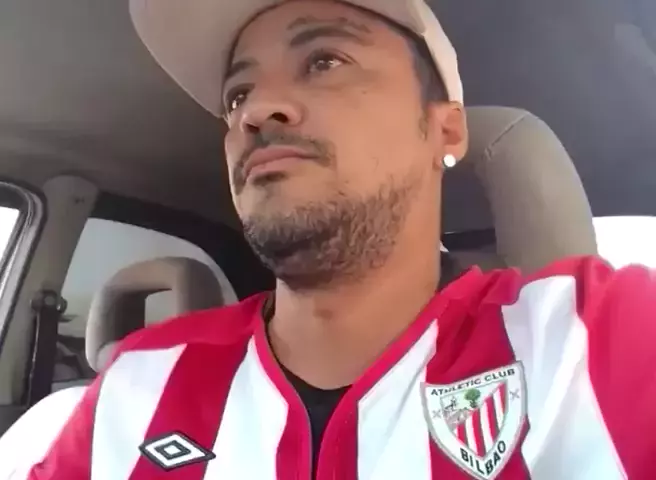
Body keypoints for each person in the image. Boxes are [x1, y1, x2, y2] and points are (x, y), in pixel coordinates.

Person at [6, 0, 656, 478]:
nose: (256, 111)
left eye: (324, 60)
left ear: (446, 130)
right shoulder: (137, 385)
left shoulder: (597, 338)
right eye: (237, 95)